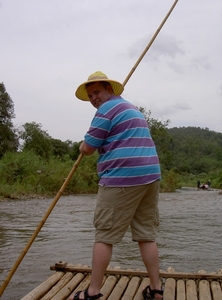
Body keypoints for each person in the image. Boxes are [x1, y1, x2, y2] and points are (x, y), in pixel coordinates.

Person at [71, 71, 163, 300]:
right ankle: (156, 289)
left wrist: (82, 146)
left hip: (122, 178)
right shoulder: (131, 108)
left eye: (97, 92)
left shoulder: (106, 111)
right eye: (91, 95)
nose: (94, 98)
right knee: (146, 235)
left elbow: (88, 147)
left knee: (104, 235)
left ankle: (92, 293)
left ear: (109, 90)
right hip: (151, 176)